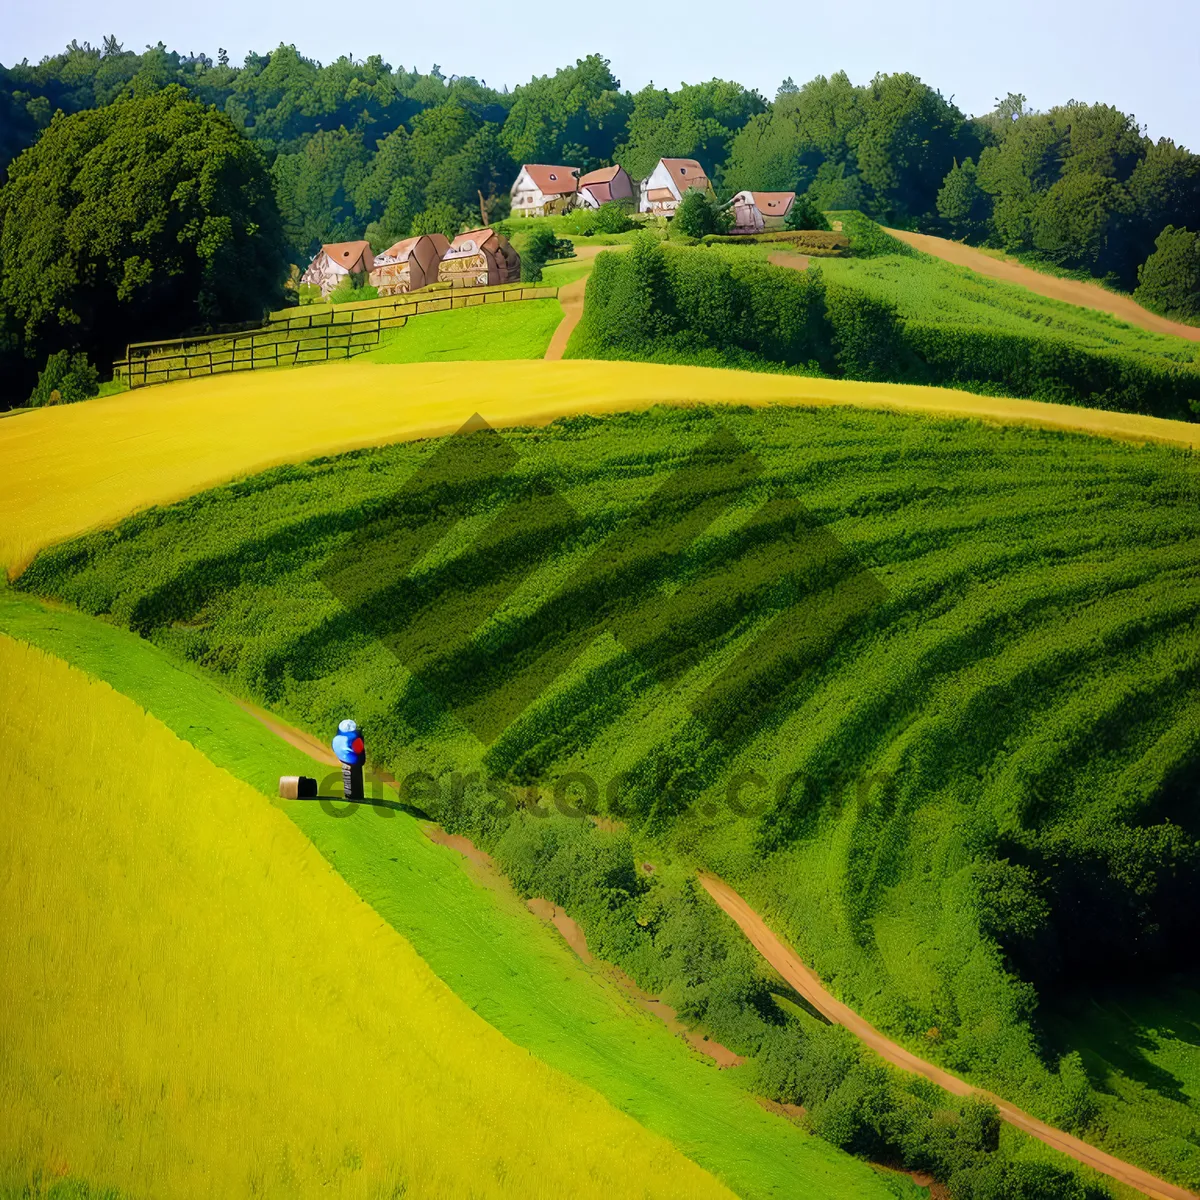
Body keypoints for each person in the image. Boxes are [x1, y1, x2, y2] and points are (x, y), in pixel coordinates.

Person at [332, 718, 365, 801]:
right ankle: (356, 795)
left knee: (348, 774)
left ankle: (349, 794)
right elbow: (359, 750)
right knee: (355, 772)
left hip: (342, 759)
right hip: (353, 761)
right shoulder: (354, 738)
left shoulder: (336, 738)